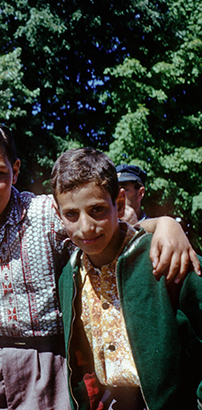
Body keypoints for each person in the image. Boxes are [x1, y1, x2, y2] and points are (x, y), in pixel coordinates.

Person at [0, 119, 200, 410]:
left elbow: (107, 226)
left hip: (43, 365)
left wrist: (164, 224)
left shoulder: (42, 213)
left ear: (14, 171)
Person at [53, 147, 202, 409]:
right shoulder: (70, 275)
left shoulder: (165, 255)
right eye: (72, 214)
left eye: (97, 209)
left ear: (120, 204)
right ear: (58, 214)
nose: (86, 227)